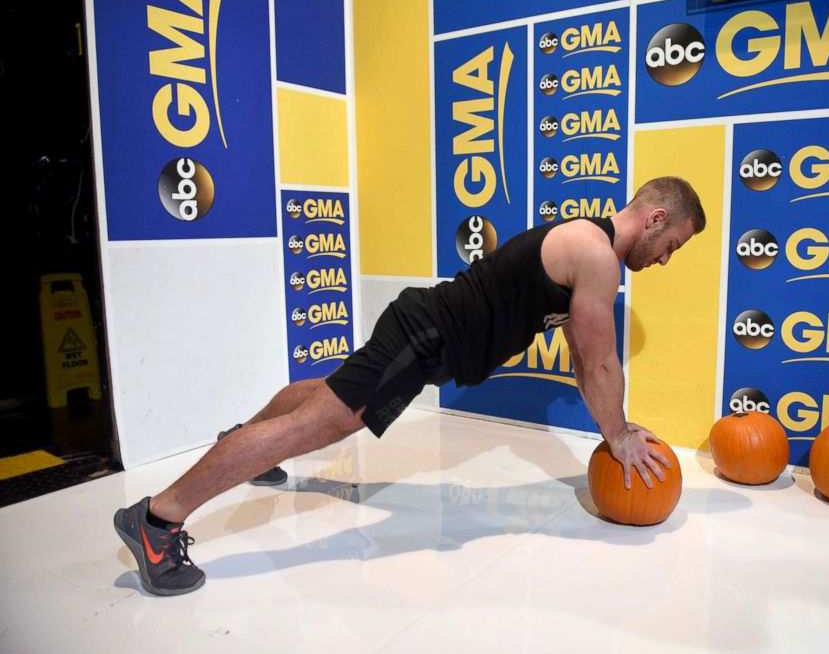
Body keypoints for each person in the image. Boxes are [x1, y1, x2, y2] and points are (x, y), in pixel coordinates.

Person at [113, 176, 706, 595]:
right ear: (655, 218)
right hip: (426, 336)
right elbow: (601, 366)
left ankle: (241, 438)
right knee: (319, 424)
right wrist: (621, 435)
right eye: (673, 245)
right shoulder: (596, 254)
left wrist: (616, 425)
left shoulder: (587, 250)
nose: (666, 259)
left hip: (423, 331)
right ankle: (158, 521)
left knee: (325, 396)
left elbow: (586, 358)